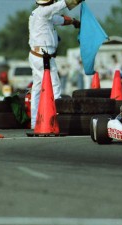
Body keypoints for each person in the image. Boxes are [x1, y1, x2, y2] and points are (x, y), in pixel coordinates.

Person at [28, 0, 82, 129]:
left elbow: (60, 20)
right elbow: (60, 6)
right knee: (54, 86)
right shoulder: (44, 11)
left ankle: (35, 122)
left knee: (37, 89)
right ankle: (56, 119)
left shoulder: (40, 14)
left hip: (38, 55)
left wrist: (74, 21)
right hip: (44, 57)